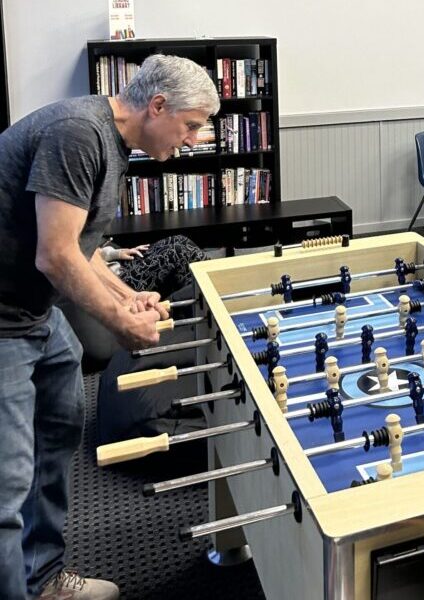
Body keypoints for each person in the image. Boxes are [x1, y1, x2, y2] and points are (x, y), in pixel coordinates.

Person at [0, 54, 219, 600]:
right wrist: (120, 324)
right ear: (158, 105)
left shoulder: (110, 141)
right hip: (3, 321)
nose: (193, 140)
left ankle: (44, 580)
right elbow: (54, 256)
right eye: (190, 125)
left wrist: (128, 293)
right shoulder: (78, 133)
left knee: (59, 432)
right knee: (7, 482)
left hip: (35, 314)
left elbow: (80, 244)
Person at [99, 234, 207, 298]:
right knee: (177, 252)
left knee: (179, 240)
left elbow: (93, 252)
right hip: (116, 283)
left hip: (119, 265)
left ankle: (208, 286)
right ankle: (210, 291)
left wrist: (119, 252)